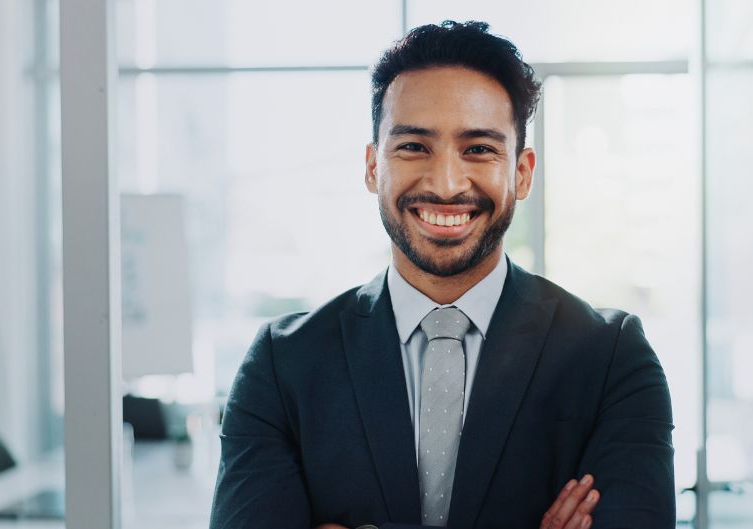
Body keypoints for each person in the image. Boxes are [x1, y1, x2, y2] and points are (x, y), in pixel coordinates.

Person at [210, 20, 675, 529]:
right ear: (372, 167)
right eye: (414, 147)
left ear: (521, 172)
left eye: (478, 149)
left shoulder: (610, 358)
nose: (447, 184)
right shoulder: (284, 364)